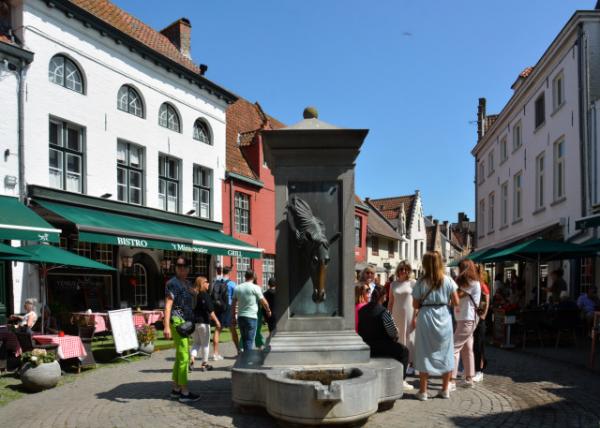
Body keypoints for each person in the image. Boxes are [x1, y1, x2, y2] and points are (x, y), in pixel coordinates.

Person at [411, 251, 460, 401]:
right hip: (444, 316)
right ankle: (445, 389)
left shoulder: (420, 282)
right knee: (446, 351)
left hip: (426, 316)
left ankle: (423, 391)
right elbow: (456, 302)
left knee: (424, 352)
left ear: (425, 264)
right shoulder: (448, 280)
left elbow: (415, 304)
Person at [358, 284, 411, 390]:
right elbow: (393, 332)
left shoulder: (362, 310)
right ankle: (401, 380)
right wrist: (396, 335)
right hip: (381, 347)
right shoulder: (384, 312)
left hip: (365, 345)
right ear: (383, 297)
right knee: (404, 351)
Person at [163, 256, 200, 402]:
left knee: (180, 357)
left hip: (185, 323)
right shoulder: (172, 283)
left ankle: (175, 389)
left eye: (184, 267)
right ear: (176, 268)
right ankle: (184, 393)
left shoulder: (186, 283)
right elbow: (168, 305)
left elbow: (192, 296)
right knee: (184, 357)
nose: (181, 269)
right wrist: (166, 326)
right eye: (179, 266)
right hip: (178, 322)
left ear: (188, 268)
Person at [450, 259, 481, 391]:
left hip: (466, 319)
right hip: (465, 319)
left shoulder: (471, 283)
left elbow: (457, 296)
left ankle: (451, 380)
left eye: (460, 268)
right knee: (467, 348)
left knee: (454, 348)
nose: (458, 271)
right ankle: (469, 377)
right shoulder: (469, 282)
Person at [232, 270, 272, 352]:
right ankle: (246, 360)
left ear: (245, 276)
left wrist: (233, 316)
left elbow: (233, 304)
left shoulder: (238, 287)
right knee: (250, 341)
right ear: (254, 276)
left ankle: (244, 358)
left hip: (241, 317)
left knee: (244, 339)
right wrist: (268, 310)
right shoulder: (255, 287)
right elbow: (263, 301)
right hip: (251, 317)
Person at [388, 261, 415, 377]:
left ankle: (409, 364)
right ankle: (399, 362)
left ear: (409, 271)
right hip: (396, 314)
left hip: (410, 313)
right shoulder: (393, 284)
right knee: (398, 337)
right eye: (401, 269)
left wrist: (416, 316)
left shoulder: (413, 283)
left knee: (409, 338)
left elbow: (418, 301)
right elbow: (390, 302)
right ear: (398, 271)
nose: (403, 271)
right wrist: (388, 315)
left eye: (406, 269)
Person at [190, 276, 221, 372]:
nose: (209, 283)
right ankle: (204, 364)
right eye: (207, 282)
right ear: (202, 284)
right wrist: (217, 321)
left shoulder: (195, 295)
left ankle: (191, 360)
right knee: (205, 344)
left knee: (196, 343)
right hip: (204, 322)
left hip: (195, 322)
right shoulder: (205, 295)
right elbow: (210, 310)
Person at [212, 267, 239, 360]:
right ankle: (239, 351)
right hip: (228, 307)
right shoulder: (232, 284)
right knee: (233, 330)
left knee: (217, 329)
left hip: (219, 307)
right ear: (230, 272)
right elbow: (236, 297)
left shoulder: (217, 282)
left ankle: (215, 354)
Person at [473, 264, 490, 383]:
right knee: (474, 346)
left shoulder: (482, 286)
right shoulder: (476, 285)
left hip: (479, 320)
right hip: (474, 319)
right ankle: (475, 368)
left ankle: (480, 371)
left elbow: (485, 304)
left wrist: (481, 317)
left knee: (479, 345)